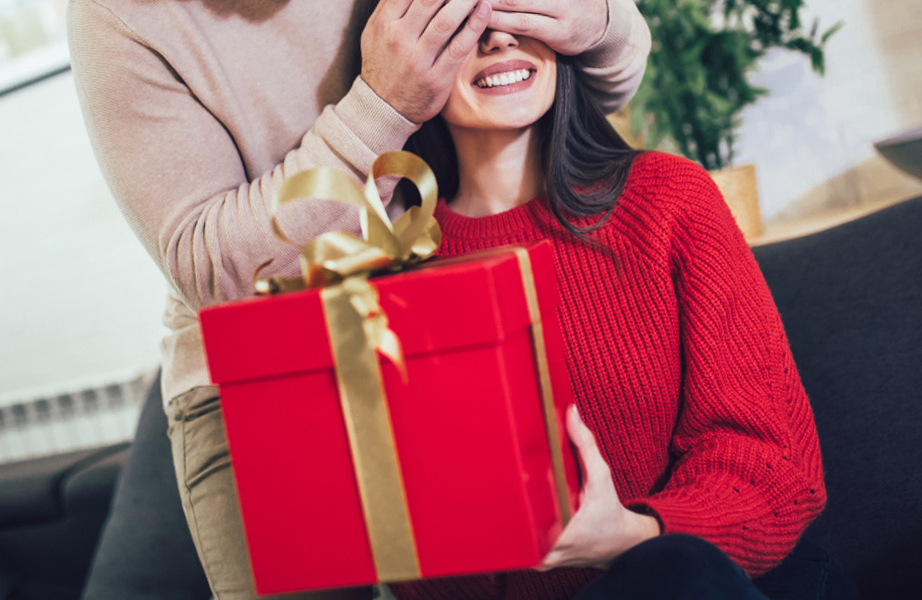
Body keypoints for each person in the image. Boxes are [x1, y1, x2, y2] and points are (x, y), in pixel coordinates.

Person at [67, 1, 653, 599]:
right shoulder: (117, 16)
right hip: (262, 372)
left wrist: (596, 19)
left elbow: (591, 82)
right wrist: (382, 106)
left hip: (440, 319)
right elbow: (219, 274)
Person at [386, 27, 856, 600]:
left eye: (517, 5)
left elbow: (774, 462)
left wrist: (628, 535)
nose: (500, 35)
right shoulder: (397, 276)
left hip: (715, 577)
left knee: (675, 571)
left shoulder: (668, 199)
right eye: (465, 18)